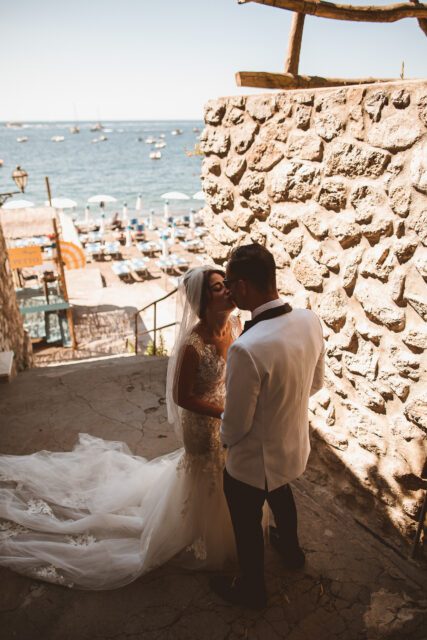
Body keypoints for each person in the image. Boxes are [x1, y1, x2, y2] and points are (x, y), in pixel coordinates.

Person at [0, 266, 239, 589]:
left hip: (224, 416)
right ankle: (198, 534)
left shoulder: (235, 326)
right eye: (217, 287)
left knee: (224, 472)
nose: (227, 289)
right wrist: (223, 411)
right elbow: (182, 397)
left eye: (225, 284)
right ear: (202, 299)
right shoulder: (192, 345)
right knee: (208, 473)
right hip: (202, 423)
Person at [210, 243, 325, 609]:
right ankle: (292, 553)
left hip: (252, 463)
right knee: (281, 493)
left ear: (243, 286)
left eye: (229, 284)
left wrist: (224, 442)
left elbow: (237, 425)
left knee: (246, 527)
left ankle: (252, 591)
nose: (227, 291)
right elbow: (317, 384)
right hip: (291, 448)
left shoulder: (246, 348)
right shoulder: (309, 319)